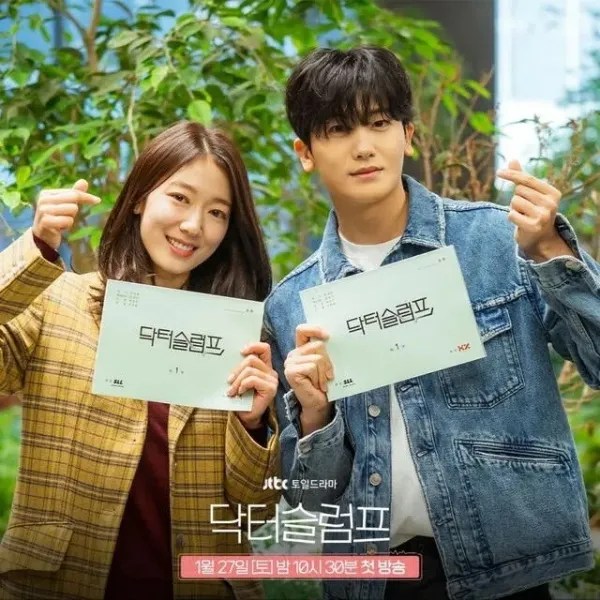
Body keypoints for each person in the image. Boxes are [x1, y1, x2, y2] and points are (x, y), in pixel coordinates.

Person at [263, 46, 600, 600]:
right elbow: (310, 496)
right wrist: (316, 411)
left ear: (408, 135)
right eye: (338, 129)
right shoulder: (291, 303)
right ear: (306, 153)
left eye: (379, 123)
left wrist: (550, 251)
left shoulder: (498, 241)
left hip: (507, 570)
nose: (364, 146)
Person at [0, 121, 281, 600]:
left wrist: (252, 425)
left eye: (217, 212)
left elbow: (257, 510)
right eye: (180, 198)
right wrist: (37, 248)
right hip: (59, 583)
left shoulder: (238, 336)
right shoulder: (58, 300)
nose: (193, 225)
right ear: (138, 199)